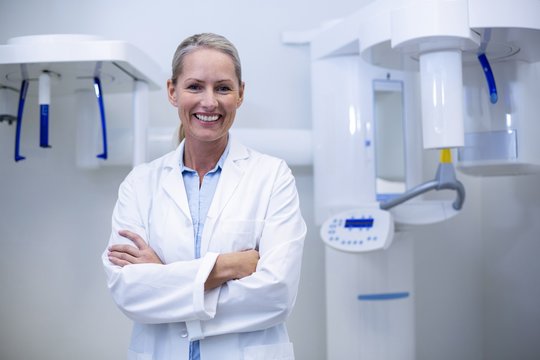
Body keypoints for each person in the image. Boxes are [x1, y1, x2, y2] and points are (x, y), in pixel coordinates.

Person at [102, 33, 306, 360]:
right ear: (172, 91)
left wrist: (165, 279)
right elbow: (129, 292)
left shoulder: (272, 177)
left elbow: (277, 295)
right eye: (195, 86)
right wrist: (227, 267)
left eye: (223, 88)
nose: (209, 101)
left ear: (240, 94)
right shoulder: (139, 184)